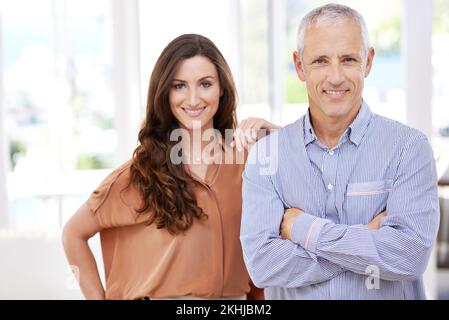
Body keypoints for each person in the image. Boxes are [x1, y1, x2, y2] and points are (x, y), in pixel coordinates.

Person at [240, 3, 440, 299]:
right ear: (299, 66)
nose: (335, 77)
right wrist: (366, 241)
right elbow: (263, 265)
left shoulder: (409, 148)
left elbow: (408, 257)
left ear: (368, 62)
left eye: (347, 59)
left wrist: (302, 229)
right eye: (320, 61)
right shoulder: (267, 157)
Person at [62, 34, 277, 300]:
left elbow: (263, 244)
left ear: (222, 88)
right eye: (179, 86)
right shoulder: (137, 175)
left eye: (205, 84)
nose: (194, 99)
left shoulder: (247, 164)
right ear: (165, 92)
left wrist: (279, 137)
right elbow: (73, 234)